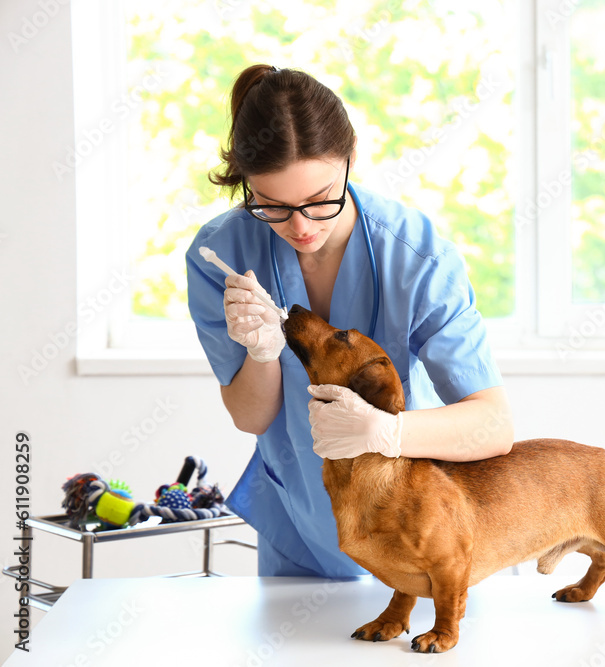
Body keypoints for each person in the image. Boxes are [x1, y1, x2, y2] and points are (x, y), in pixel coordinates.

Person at [185, 64, 513, 578]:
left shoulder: (417, 259)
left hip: (421, 528)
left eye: (319, 200)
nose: (299, 226)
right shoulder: (222, 253)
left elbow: (493, 426)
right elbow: (251, 417)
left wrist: (385, 432)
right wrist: (261, 352)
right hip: (302, 527)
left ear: (352, 156)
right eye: (271, 205)